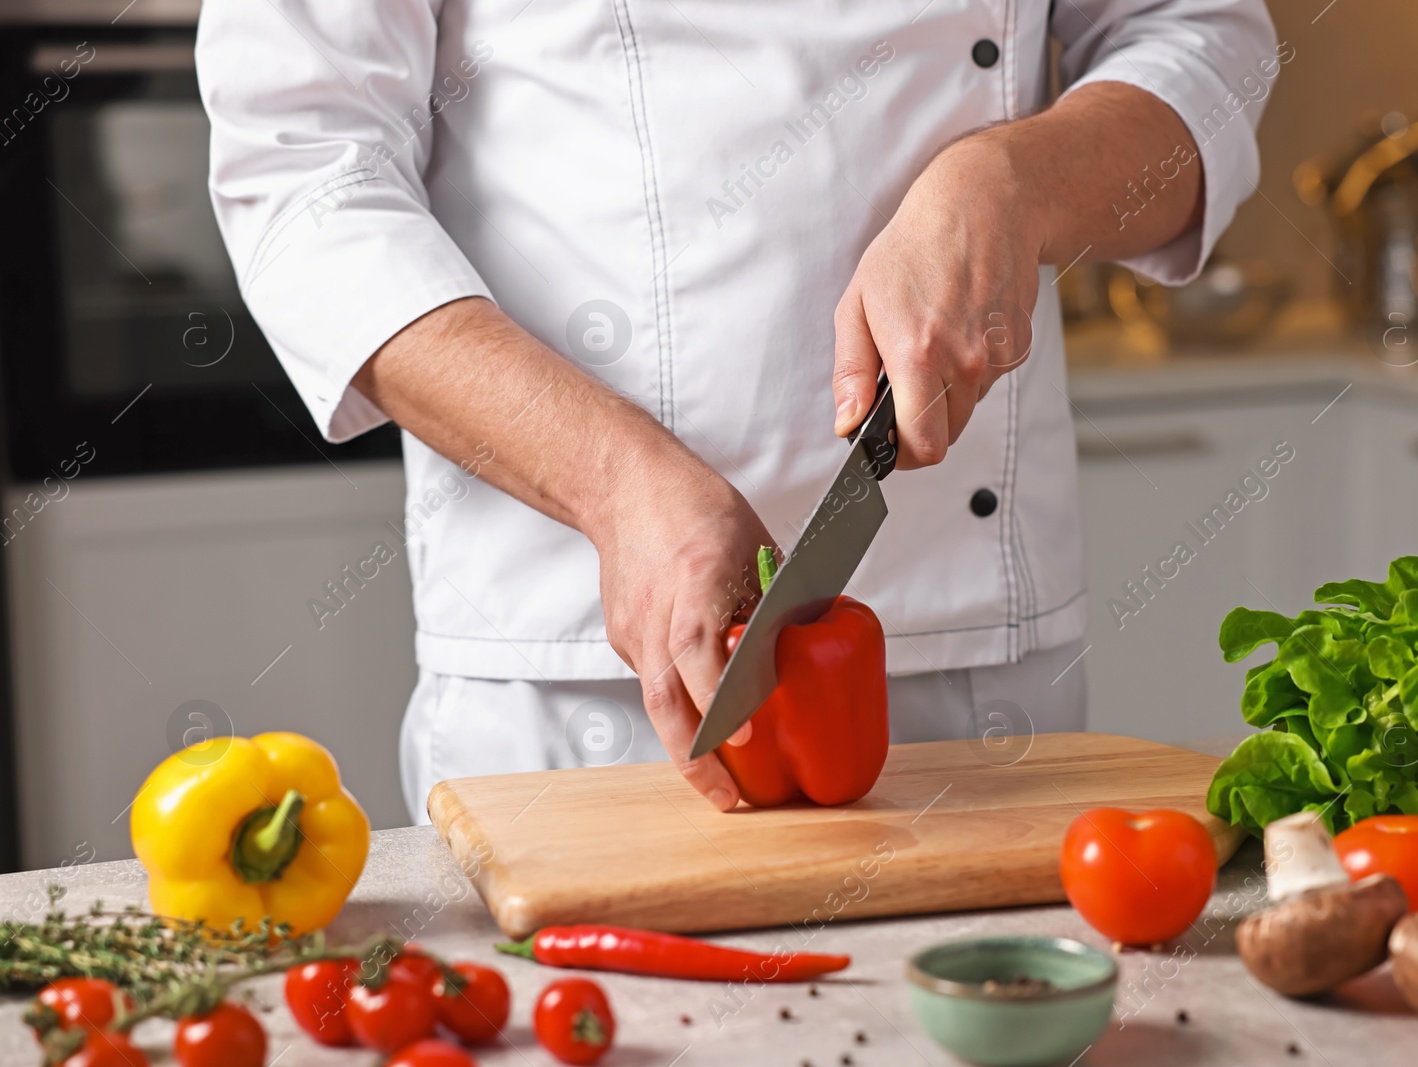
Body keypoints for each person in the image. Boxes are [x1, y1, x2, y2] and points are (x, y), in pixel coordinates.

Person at [197, 0, 1275, 822]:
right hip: (590, 682)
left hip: (983, 661)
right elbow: (302, 178)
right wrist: (615, 485)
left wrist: (1018, 178)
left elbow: (1201, 43)